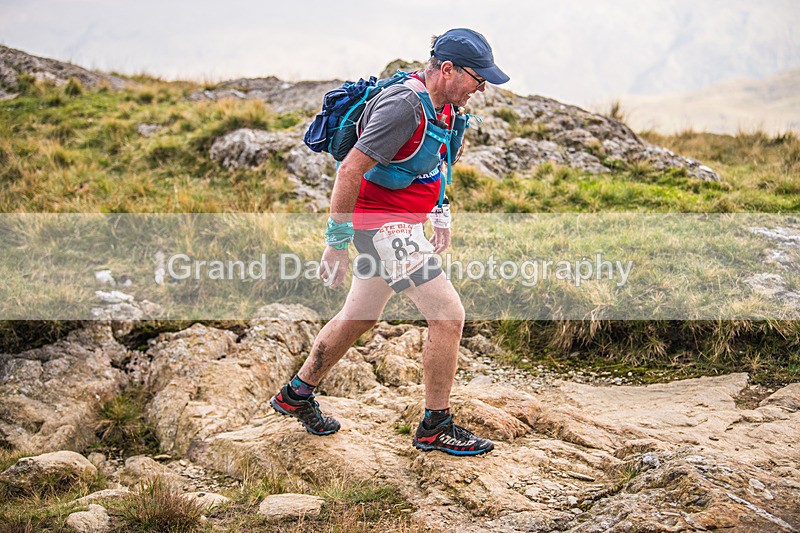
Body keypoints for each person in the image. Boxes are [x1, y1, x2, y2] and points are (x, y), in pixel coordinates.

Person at [271, 28, 509, 456]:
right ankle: (435, 427)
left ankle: (297, 394)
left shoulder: (448, 106)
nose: (483, 87)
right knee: (448, 314)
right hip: (381, 226)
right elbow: (349, 171)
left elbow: (435, 165)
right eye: (478, 77)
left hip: (402, 222)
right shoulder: (402, 106)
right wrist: (337, 242)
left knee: (360, 315)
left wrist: (440, 213)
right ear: (449, 69)